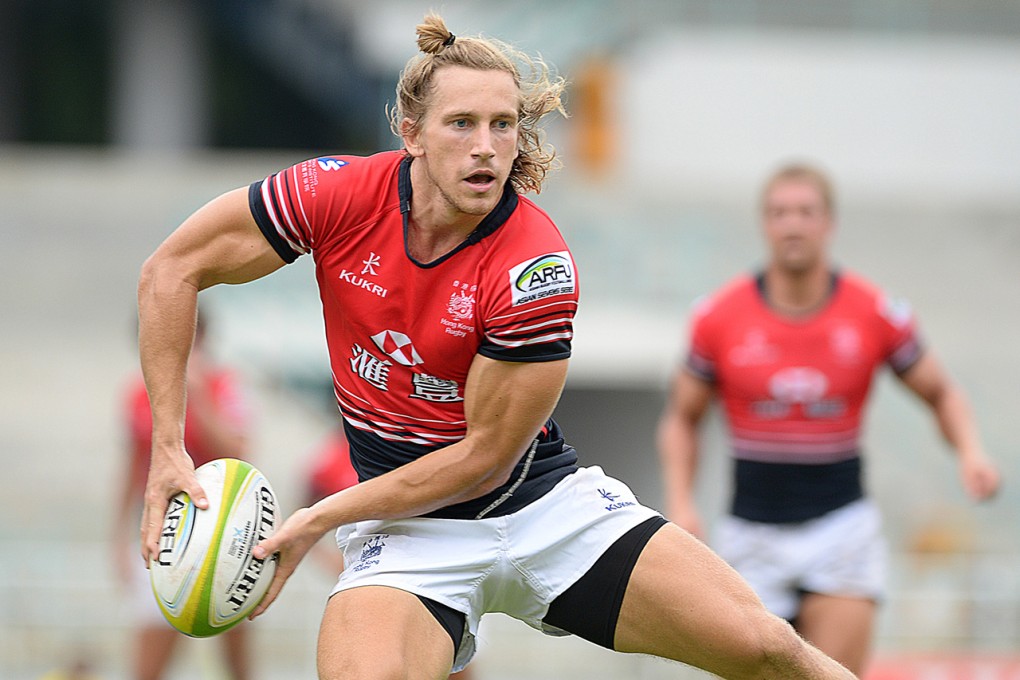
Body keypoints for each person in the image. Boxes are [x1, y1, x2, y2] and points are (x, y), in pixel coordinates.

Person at [137, 13, 856, 680]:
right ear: (411, 133)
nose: (486, 146)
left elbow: (483, 457)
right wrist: (170, 447)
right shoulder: (334, 197)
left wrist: (323, 516)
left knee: (767, 649)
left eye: (503, 125)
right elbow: (172, 269)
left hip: (542, 510)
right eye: (461, 124)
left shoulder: (533, 266)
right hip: (409, 534)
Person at [656, 162, 1001, 676]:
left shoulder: (874, 312)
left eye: (805, 212)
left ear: (828, 223)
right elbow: (683, 419)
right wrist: (682, 502)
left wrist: (971, 452)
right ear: (764, 224)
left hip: (840, 531)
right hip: (751, 533)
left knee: (834, 675)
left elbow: (941, 392)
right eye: (779, 213)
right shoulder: (718, 317)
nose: (792, 224)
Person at [114, 309, 254, 680]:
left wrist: (198, 393)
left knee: (235, 653)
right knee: (149, 660)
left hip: (223, 533)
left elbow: (238, 450)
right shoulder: (138, 394)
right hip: (165, 534)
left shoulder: (225, 384)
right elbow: (132, 469)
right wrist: (117, 540)